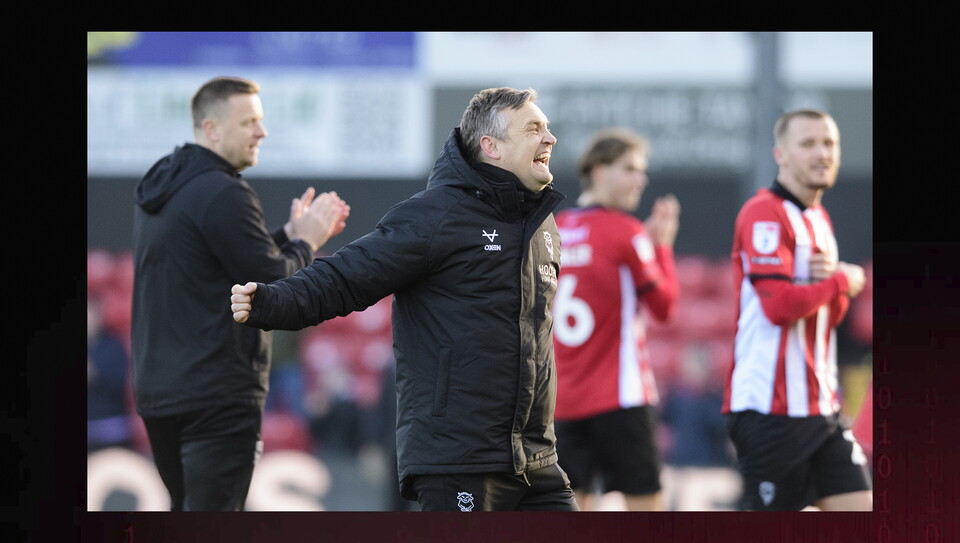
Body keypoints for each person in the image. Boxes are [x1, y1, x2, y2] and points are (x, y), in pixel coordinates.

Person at [231, 87, 580, 512]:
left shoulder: (543, 227)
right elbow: (348, 276)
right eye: (534, 128)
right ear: (492, 147)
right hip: (461, 460)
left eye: (547, 128)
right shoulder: (435, 215)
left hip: (537, 460)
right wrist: (271, 301)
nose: (550, 138)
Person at [131, 76, 350, 511]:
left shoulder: (164, 185)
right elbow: (272, 285)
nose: (262, 132)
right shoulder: (225, 191)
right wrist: (306, 241)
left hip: (160, 394)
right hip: (217, 397)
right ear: (211, 128)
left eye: (261, 120)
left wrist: (286, 233)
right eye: (249, 121)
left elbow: (215, 259)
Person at [722, 108, 871, 511]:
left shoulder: (819, 218)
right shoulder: (764, 213)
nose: (822, 153)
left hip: (821, 408)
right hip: (771, 410)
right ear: (781, 154)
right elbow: (779, 308)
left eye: (829, 143)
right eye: (808, 143)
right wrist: (841, 281)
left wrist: (834, 288)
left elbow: (829, 317)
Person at [551, 128, 680, 510]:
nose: (640, 179)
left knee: (572, 510)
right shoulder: (626, 231)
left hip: (562, 403)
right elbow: (665, 307)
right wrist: (663, 248)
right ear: (597, 169)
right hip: (620, 398)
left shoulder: (553, 229)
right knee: (647, 509)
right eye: (629, 169)